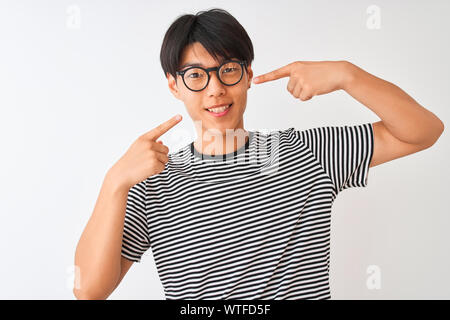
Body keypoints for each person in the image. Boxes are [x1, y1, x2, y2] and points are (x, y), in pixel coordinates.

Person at [73, 8, 444, 300]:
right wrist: (114, 182)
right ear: (174, 85)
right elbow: (89, 291)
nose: (216, 89)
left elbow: (424, 131)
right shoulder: (152, 182)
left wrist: (348, 75)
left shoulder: (308, 152)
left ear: (248, 74)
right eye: (196, 76)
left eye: (228, 70)